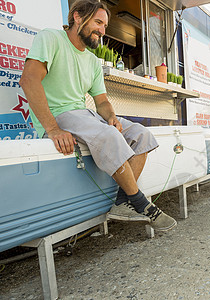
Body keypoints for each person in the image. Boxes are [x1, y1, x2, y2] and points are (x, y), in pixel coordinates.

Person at [19, 0, 176, 232]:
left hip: (86, 114)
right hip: (60, 114)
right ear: (77, 18)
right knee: (109, 135)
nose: (102, 30)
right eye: (98, 22)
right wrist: (52, 129)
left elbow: (101, 101)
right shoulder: (50, 38)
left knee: (141, 134)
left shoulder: (92, 61)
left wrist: (111, 116)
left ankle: (122, 203)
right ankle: (143, 204)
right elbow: (29, 80)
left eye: (105, 25)